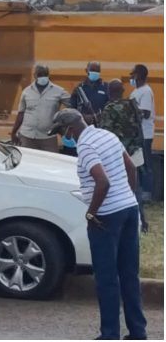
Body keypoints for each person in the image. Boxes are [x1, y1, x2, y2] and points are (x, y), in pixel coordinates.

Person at [48, 109, 146, 340]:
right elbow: (131, 167)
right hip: (129, 210)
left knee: (107, 278)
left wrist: (91, 214)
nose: (63, 138)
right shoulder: (107, 135)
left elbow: (102, 182)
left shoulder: (86, 147)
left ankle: (109, 334)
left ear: (70, 129)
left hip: (106, 218)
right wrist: (127, 197)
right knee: (129, 274)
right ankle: (137, 332)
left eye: (62, 132)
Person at [100, 79, 148, 233]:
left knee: (118, 190)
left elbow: (105, 133)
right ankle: (142, 222)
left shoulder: (109, 108)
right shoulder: (132, 106)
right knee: (136, 189)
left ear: (109, 92)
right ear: (122, 91)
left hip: (118, 155)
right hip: (135, 153)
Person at [11, 64, 71, 152]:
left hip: (48, 138)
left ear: (48, 75)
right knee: (27, 163)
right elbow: (21, 113)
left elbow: (73, 106)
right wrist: (13, 132)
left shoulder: (59, 91)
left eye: (45, 74)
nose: (43, 77)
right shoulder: (27, 92)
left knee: (51, 163)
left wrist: (62, 123)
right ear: (34, 75)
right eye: (40, 74)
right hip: (27, 137)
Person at [129, 64, 155, 202]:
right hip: (137, 134)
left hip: (145, 134)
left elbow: (145, 113)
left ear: (138, 75)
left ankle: (148, 193)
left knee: (145, 164)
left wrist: (131, 110)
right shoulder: (136, 91)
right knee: (138, 163)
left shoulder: (145, 91)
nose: (130, 77)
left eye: (132, 74)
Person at [70, 61, 110, 126]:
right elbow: (72, 109)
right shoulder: (79, 88)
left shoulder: (107, 87)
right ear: (86, 70)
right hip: (83, 126)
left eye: (97, 71)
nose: (95, 72)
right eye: (93, 70)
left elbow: (111, 106)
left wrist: (101, 115)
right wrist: (83, 117)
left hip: (102, 125)